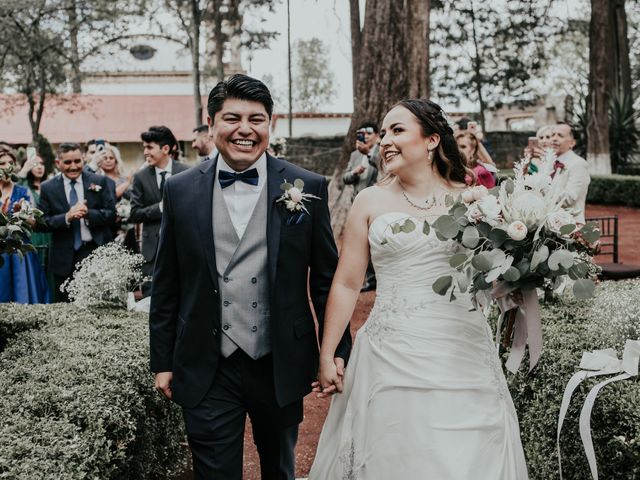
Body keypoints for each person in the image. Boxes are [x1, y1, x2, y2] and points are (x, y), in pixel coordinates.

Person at [309, 99, 528, 479]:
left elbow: (495, 274)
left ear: (431, 140)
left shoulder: (473, 198)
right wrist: (327, 353)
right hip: (390, 354)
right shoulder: (369, 200)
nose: (385, 142)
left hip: (462, 351)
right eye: (382, 134)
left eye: (397, 130)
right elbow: (346, 283)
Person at [149, 74, 352, 480]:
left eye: (256, 119)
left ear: (269, 124)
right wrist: (163, 360)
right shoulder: (180, 190)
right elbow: (167, 282)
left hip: (278, 359)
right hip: (206, 363)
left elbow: (328, 280)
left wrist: (335, 351)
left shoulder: (307, 186)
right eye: (232, 118)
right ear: (212, 125)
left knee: (280, 468)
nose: (245, 129)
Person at [38, 143, 116, 301]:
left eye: (77, 161)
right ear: (57, 163)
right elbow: (42, 223)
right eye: (67, 162)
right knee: (65, 307)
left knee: (97, 305)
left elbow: (111, 214)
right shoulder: (48, 188)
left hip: (94, 251)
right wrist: (67, 217)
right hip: (63, 256)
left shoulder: (99, 181)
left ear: (84, 160)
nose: (73, 167)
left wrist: (89, 214)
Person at [130, 126, 189, 297]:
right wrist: (161, 208)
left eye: (149, 148)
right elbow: (135, 213)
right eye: (144, 148)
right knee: (152, 296)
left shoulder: (187, 172)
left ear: (165, 149)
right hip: (152, 250)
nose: (145, 152)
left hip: (182, 245)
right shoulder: (140, 177)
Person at [0, 149, 51, 303]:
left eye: (11, 163)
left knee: (23, 290)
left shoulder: (22, 191)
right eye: (2, 163)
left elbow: (32, 221)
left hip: (19, 248)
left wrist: (21, 213)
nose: (7, 166)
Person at [343, 122, 381, 292]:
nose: (364, 135)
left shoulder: (381, 152)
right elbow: (345, 178)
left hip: (377, 204)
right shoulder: (354, 155)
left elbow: (384, 169)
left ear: (377, 135)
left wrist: (369, 155)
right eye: (361, 132)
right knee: (362, 243)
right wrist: (354, 173)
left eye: (368, 132)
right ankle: (370, 279)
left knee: (378, 241)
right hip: (357, 204)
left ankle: (382, 278)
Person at [16, 150, 55, 298]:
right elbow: (15, 193)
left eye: (42, 164)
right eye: (35, 164)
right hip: (32, 237)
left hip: (50, 235)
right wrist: (23, 172)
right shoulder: (25, 187)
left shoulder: (50, 185)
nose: (39, 167)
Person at [548, 123, 590, 225]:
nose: (554, 138)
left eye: (560, 135)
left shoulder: (579, 164)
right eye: (552, 135)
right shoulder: (548, 163)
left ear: (572, 143)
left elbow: (569, 198)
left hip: (570, 226)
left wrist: (544, 187)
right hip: (548, 224)